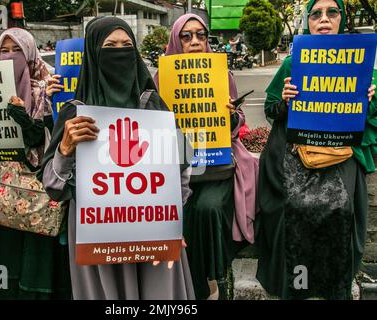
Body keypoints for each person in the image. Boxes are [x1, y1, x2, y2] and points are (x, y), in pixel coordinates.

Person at [38, 16, 195, 300]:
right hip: (96, 236)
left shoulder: (153, 104)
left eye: (127, 45)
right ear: (93, 53)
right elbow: (53, 187)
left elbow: (181, 171)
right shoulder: (75, 113)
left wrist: (173, 223)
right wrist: (64, 150)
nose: (119, 52)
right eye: (110, 46)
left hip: (152, 232)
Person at [256, 0, 377, 300]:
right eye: (316, 14)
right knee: (293, 211)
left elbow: (370, 118)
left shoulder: (361, 62)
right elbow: (271, 109)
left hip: (341, 155)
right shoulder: (291, 62)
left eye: (331, 12)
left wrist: (369, 99)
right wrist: (284, 100)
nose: (324, 19)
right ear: (308, 22)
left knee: (340, 210)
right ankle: (298, 286)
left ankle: (332, 286)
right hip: (298, 154)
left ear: (341, 19)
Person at [154, 13, 259, 299]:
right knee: (181, 212)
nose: (195, 41)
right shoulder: (159, 78)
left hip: (216, 167)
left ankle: (217, 276)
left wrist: (229, 116)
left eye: (201, 35)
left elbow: (239, 122)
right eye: (186, 36)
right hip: (175, 169)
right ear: (176, 40)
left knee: (209, 209)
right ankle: (192, 285)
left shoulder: (223, 75)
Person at [0, 27, 70, 299]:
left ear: (31, 54)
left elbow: (43, 137)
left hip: (37, 181)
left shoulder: (48, 87)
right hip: (3, 180)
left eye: (18, 50)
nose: (11, 56)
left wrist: (24, 116)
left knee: (36, 246)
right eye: (5, 50)